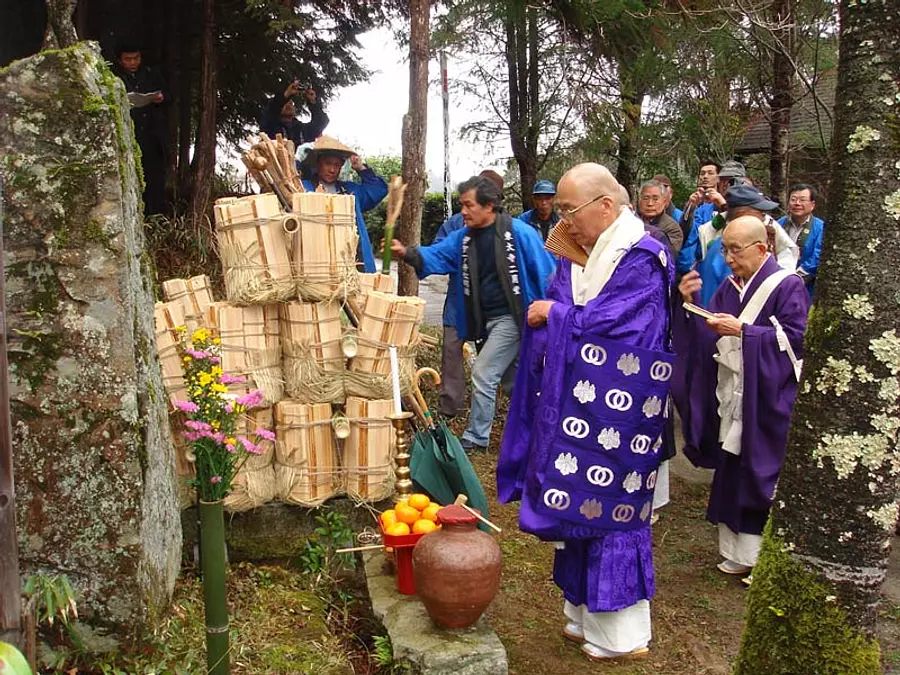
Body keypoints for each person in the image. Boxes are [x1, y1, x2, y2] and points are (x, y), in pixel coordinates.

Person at [497, 163, 674, 662]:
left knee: (612, 510)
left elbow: (618, 326)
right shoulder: (575, 251)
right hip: (573, 397)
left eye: (571, 209)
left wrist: (554, 317)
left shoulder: (645, 255)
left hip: (621, 405)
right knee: (574, 501)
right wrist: (555, 312)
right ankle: (580, 616)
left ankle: (619, 634)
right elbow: (558, 294)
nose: (563, 220)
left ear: (605, 206)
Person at [676, 216, 808, 583]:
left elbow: (796, 339)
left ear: (762, 248)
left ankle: (766, 557)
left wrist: (745, 332)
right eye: (725, 249)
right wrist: (693, 301)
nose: (729, 258)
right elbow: (712, 326)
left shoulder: (787, 285)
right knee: (734, 467)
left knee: (762, 470)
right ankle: (738, 551)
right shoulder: (733, 286)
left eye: (736, 249)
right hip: (736, 390)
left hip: (769, 393)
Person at [391, 175, 556, 451]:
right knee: (513, 380)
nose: (463, 211)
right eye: (462, 205)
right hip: (483, 318)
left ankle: (477, 436)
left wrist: (551, 312)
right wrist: (408, 253)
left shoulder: (520, 233)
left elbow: (547, 273)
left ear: (489, 205)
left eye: (469, 205)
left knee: (483, 372)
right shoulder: (464, 238)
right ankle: (539, 427)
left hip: (514, 317)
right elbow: (439, 254)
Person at [433, 170, 505, 418]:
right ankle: (449, 408)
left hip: (491, 307)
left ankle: (488, 411)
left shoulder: (507, 229)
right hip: (458, 304)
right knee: (452, 354)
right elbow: (438, 255)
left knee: (491, 359)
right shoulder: (455, 224)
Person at [678, 184, 799, 307]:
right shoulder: (728, 254)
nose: (765, 219)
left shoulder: (738, 246)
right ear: (743, 214)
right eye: (760, 213)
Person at [300, 136, 388, 272]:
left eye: (336, 165)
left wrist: (361, 168)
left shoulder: (350, 191)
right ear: (318, 164)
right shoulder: (303, 189)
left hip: (352, 260)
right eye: (328, 163)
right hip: (316, 261)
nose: (332, 170)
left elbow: (378, 190)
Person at [113, 42, 167, 215]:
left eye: (136, 58)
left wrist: (160, 97)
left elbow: (168, 94)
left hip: (151, 134)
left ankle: (155, 215)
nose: (133, 62)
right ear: (120, 61)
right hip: (129, 133)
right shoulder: (115, 77)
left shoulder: (150, 74)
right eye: (128, 59)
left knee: (154, 177)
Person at [778, 184, 824, 297]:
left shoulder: (820, 228)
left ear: (812, 205)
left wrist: (795, 278)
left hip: (805, 286)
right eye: (793, 199)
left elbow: (817, 256)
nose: (797, 203)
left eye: (802, 200)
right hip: (778, 281)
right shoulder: (779, 224)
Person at [260, 80, 329, 147]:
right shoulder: (270, 125)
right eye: (286, 103)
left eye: (291, 103)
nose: (289, 105)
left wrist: (312, 102)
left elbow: (321, 121)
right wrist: (287, 94)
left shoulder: (304, 130)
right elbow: (271, 110)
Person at [637, 179, 683, 257]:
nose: (650, 203)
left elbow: (669, 256)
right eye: (645, 198)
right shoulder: (630, 221)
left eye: (655, 199)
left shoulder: (672, 228)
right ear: (639, 201)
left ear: (664, 202)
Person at [677, 160, 721, 243]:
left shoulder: (722, 203)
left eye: (710, 173)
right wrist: (690, 206)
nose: (705, 176)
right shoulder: (694, 202)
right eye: (702, 173)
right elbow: (683, 230)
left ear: (718, 178)